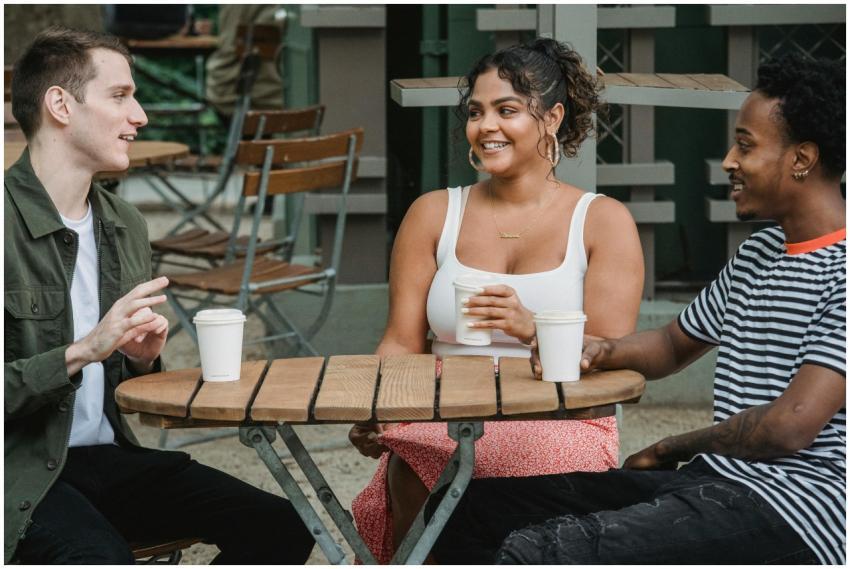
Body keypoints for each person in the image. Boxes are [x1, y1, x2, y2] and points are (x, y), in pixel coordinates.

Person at [428, 52, 845, 565]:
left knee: (545, 552)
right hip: (717, 482)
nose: (730, 162)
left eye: (745, 145)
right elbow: (671, 344)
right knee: (464, 508)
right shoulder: (759, 255)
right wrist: (596, 349)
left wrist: (671, 447)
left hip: (800, 508)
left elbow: (790, 426)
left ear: (801, 159)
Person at [4, 27, 314, 564]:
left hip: (108, 458)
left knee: (282, 525)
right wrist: (84, 350)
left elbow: (126, 389)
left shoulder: (124, 223)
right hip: (18, 472)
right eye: (120, 96)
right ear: (60, 104)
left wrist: (140, 361)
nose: (140, 116)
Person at [347, 38, 644, 563]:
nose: (486, 126)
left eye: (507, 110)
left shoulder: (602, 222)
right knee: (415, 454)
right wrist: (379, 410)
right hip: (442, 417)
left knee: (459, 459)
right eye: (476, 112)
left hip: (561, 423)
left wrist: (534, 328)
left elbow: (611, 357)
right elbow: (400, 341)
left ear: (552, 118)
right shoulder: (434, 213)